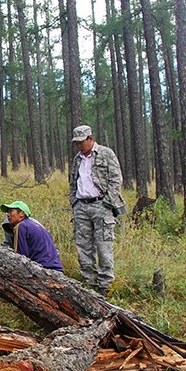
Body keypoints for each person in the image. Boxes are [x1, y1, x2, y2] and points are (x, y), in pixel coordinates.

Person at [68, 125, 125, 294]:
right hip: (81, 207)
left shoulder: (106, 154)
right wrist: (74, 201)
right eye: (76, 142)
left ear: (90, 139)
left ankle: (105, 286)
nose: (79, 145)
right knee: (83, 246)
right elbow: (73, 182)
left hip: (101, 205)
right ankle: (89, 283)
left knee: (104, 246)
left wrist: (108, 202)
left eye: (81, 142)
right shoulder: (77, 159)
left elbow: (116, 179)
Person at [0, 201, 64, 272]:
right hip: (56, 268)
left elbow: (21, 257)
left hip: (43, 269)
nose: (8, 215)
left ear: (22, 213)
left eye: (11, 211)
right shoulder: (36, 225)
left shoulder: (21, 226)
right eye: (7, 212)